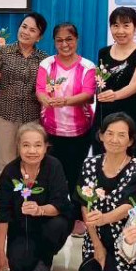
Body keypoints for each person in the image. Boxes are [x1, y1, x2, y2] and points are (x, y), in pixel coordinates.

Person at [76, 113, 136, 271]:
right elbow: (84, 204)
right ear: (101, 136)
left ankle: (133, 269)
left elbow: (129, 206)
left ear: (130, 140)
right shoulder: (90, 164)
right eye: (109, 133)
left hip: (124, 240)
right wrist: (97, 245)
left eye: (121, 135)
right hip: (95, 236)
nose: (114, 140)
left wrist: (104, 219)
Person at [0, 122, 74, 271]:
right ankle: (35, 251)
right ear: (18, 146)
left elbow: (60, 204)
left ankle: (46, 257)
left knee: (57, 225)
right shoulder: (9, 172)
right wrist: (0, 251)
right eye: (26, 145)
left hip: (50, 222)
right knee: (18, 268)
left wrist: (40, 210)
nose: (32, 151)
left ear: (45, 147)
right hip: (22, 227)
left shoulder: (54, 166)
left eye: (38, 145)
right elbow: (4, 214)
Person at [35, 22, 95, 209]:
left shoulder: (87, 66)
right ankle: (54, 212)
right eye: (59, 40)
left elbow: (88, 94)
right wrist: (44, 99)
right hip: (51, 130)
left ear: (77, 39)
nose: (64, 44)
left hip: (80, 132)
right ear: (54, 42)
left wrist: (65, 101)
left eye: (69, 39)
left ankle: (76, 216)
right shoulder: (47, 64)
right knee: (52, 174)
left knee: (76, 175)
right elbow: (40, 89)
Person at [0, 12, 49, 173]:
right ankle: (6, 191)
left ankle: (29, 190)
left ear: (39, 37)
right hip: (4, 115)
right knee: (6, 164)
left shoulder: (44, 59)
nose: (26, 32)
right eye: (24, 27)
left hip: (31, 117)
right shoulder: (3, 51)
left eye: (32, 30)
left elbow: (45, 88)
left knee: (30, 161)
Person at [92, 7, 136, 169]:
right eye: (115, 25)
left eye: (126, 25)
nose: (120, 31)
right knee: (102, 164)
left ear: (135, 27)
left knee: (131, 164)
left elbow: (135, 84)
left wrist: (115, 95)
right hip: (104, 114)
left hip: (130, 115)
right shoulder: (103, 52)